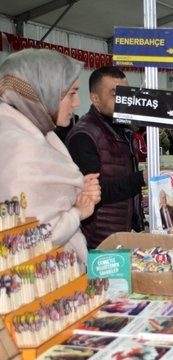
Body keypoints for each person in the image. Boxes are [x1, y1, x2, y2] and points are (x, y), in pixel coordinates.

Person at [0, 49, 101, 265]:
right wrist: (78, 212)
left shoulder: (24, 133)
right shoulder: (23, 148)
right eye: (71, 93)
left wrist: (71, 190)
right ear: (42, 91)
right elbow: (31, 238)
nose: (77, 104)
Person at [66, 66, 146, 250]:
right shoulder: (84, 135)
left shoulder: (123, 129)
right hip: (100, 240)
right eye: (115, 94)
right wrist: (141, 178)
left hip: (122, 234)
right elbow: (95, 191)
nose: (122, 100)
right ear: (95, 98)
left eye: (126, 94)